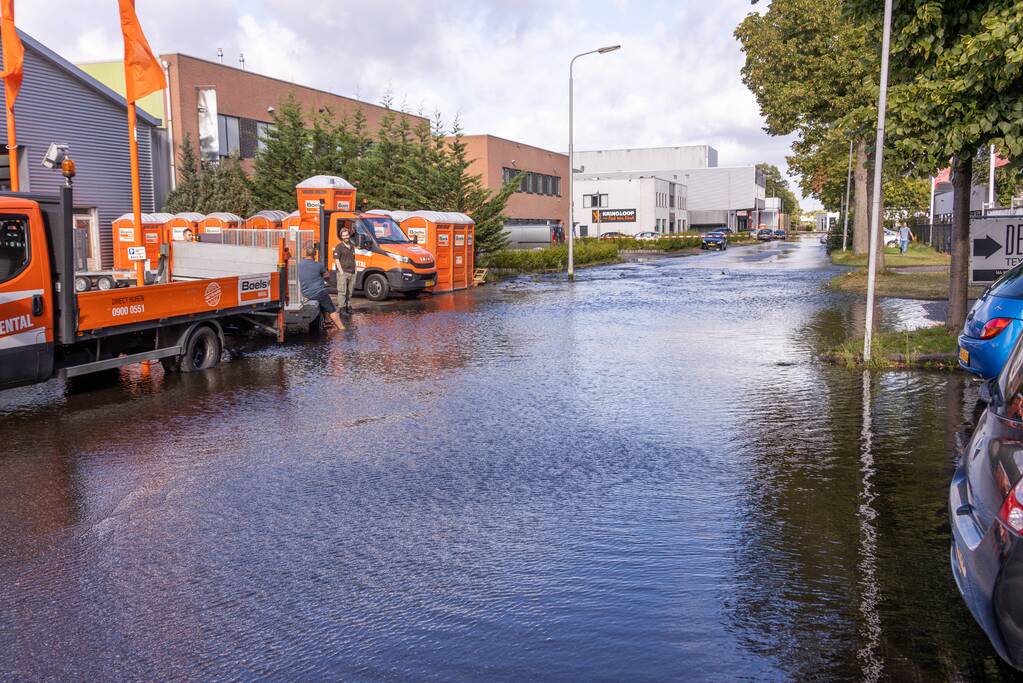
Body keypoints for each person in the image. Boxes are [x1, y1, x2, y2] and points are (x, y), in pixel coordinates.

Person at [297, 242, 343, 330]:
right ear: (315, 254)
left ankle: (327, 321)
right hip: (318, 293)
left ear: (305, 254)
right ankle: (341, 328)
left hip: (306, 293)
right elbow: (327, 276)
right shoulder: (318, 265)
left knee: (323, 298)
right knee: (331, 308)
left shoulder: (299, 265)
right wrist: (324, 278)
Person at [333, 226, 358, 314]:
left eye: (347, 235)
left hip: (352, 272)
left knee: (350, 292)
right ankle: (342, 308)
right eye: (344, 236)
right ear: (341, 237)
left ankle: (348, 306)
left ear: (349, 235)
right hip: (343, 273)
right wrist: (341, 272)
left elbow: (353, 258)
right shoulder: (339, 247)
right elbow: (336, 260)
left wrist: (355, 269)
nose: (346, 237)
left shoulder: (351, 246)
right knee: (342, 292)